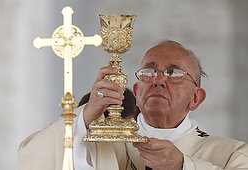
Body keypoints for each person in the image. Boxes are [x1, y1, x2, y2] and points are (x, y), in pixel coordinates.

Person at [18, 40, 248, 170]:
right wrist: (87, 115)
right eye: (149, 72)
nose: (158, 80)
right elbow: (31, 159)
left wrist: (182, 166)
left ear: (196, 98)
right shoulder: (99, 146)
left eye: (173, 73)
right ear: (137, 93)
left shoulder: (232, 154)